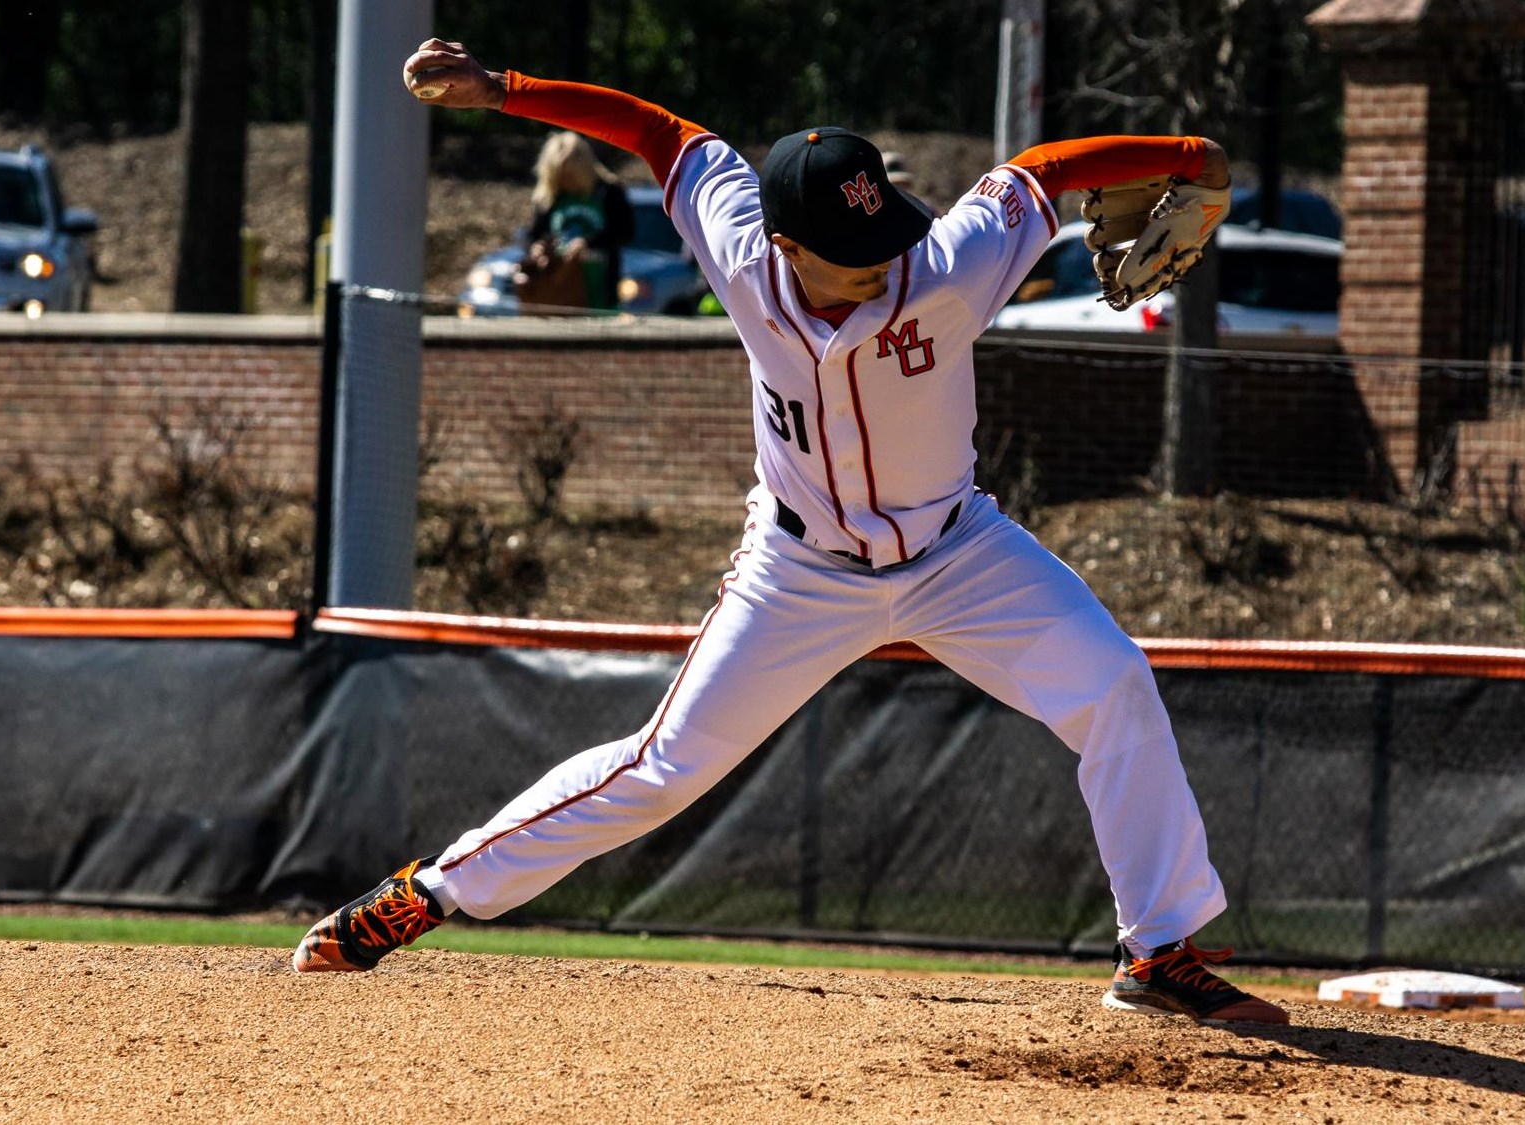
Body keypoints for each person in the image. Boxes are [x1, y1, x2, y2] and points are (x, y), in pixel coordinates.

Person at [292, 36, 1289, 1031]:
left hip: (959, 553)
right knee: (659, 768)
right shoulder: (738, 242)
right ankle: (430, 893)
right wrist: (505, 91)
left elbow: (1039, 170)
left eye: (885, 231)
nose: (884, 257)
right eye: (852, 251)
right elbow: (655, 131)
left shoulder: (948, 261)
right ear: (786, 246)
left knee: (1113, 683)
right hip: (799, 570)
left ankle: (1158, 952)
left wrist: (1186, 150)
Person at [516, 129, 634, 312]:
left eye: (569, 175)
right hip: (557, 289)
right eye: (560, 176)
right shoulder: (552, 196)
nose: (566, 182)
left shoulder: (609, 192)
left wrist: (588, 243)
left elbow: (626, 232)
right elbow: (532, 234)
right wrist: (535, 246)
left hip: (600, 289)